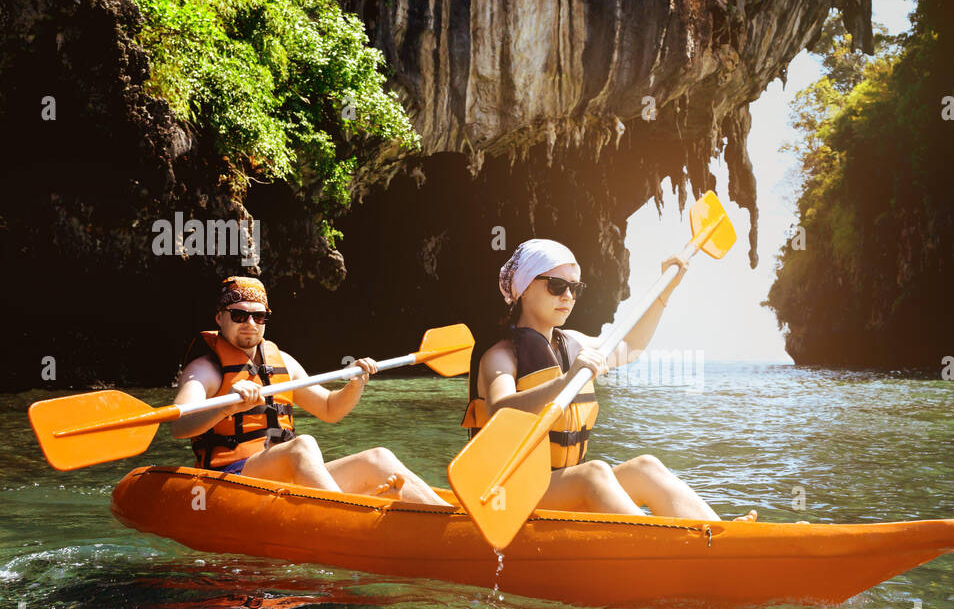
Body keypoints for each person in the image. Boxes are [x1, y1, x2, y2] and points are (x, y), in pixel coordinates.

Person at [462, 239, 757, 520]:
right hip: (507, 494)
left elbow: (630, 348)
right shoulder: (500, 356)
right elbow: (501, 411)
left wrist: (664, 294)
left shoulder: (573, 343)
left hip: (555, 489)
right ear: (525, 288)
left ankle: (721, 533)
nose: (567, 296)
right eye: (556, 286)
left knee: (645, 467)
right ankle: (666, 547)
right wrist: (566, 380)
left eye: (574, 288)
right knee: (594, 472)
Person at [171, 276, 451, 506]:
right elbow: (180, 425)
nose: (250, 324)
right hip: (231, 478)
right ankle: (351, 515)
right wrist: (225, 406)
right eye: (239, 315)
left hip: (284, 472)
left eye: (259, 316)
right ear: (220, 318)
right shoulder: (205, 370)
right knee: (303, 446)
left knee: (377, 458)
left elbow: (330, 409)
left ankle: (450, 520)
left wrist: (356, 383)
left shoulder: (284, 362)